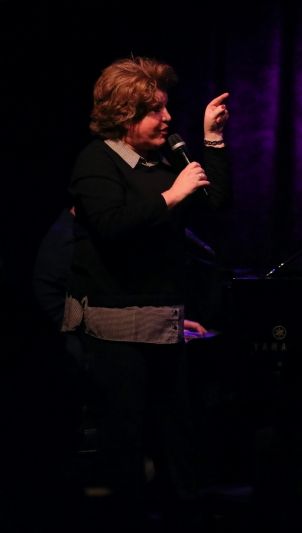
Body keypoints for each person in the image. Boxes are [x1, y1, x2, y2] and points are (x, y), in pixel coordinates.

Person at [60, 56, 231, 531]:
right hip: (116, 327)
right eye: (156, 110)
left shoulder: (161, 159)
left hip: (162, 320)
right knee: (126, 438)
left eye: (166, 108)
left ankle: (181, 514)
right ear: (125, 117)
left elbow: (214, 204)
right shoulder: (96, 161)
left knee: (177, 436)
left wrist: (212, 141)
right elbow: (114, 226)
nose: (168, 118)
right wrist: (171, 196)